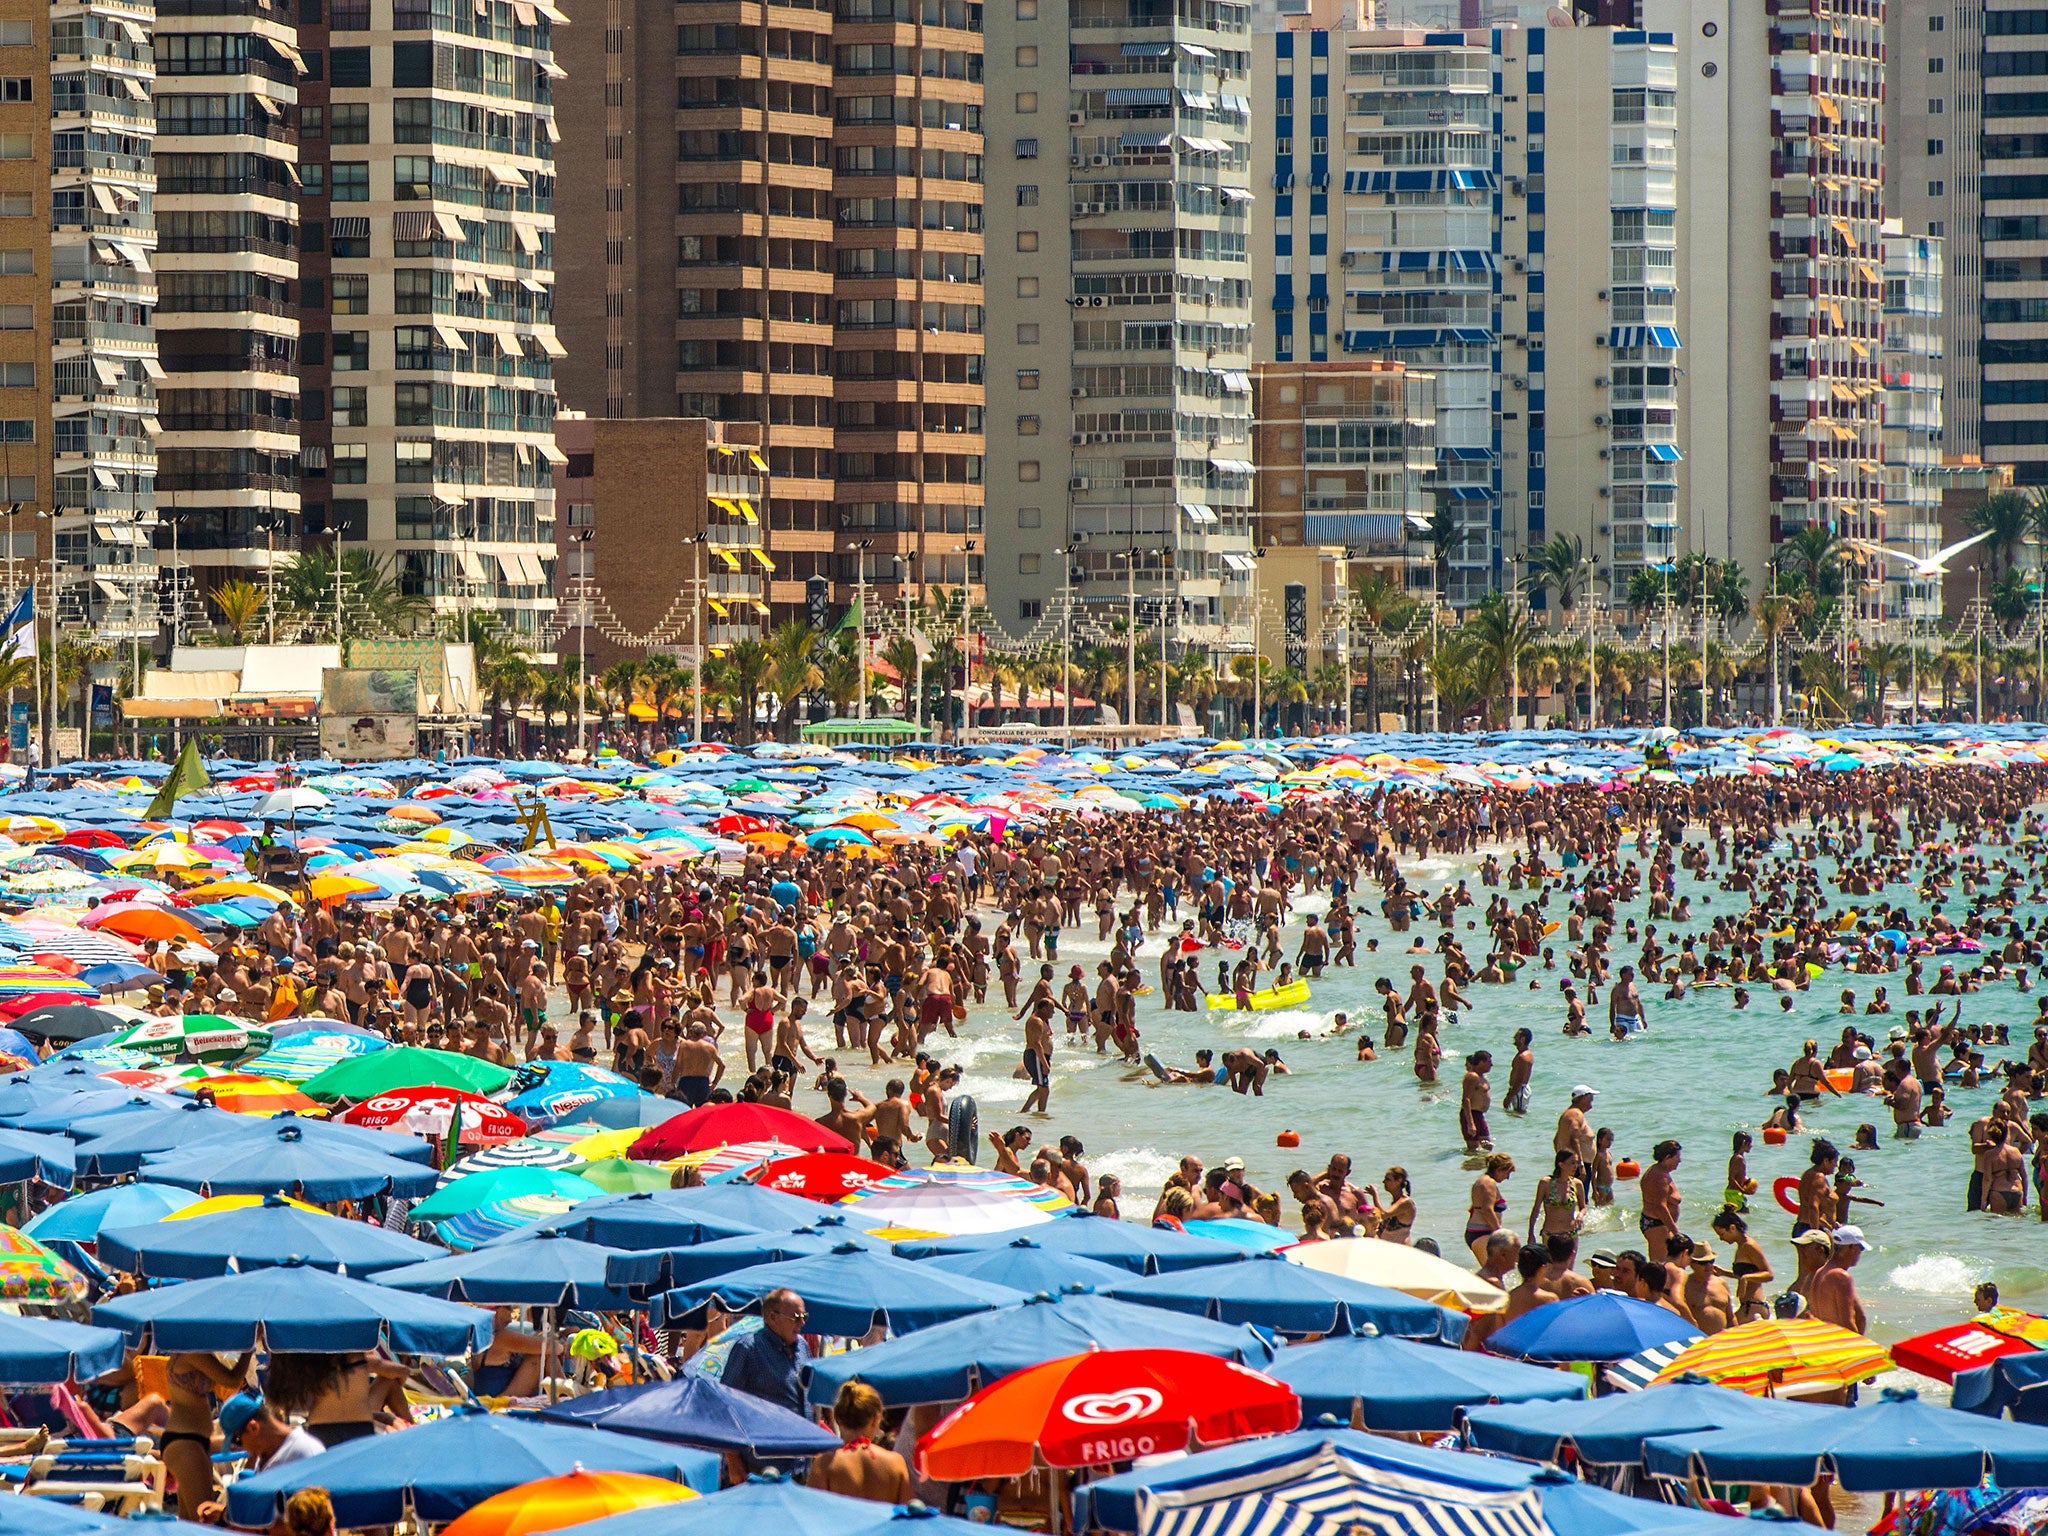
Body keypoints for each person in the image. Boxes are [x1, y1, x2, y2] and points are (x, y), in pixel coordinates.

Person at [809, 1382, 912, 1502]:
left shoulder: (824, 1464)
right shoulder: (895, 1463)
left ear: (836, 1418)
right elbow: (908, 1514)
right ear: (875, 1420)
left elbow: (812, 1513)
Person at [721, 1288, 811, 1416]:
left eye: (804, 1316)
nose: (802, 1323)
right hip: (765, 1434)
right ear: (773, 1318)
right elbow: (726, 1399)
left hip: (805, 1433)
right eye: (796, 1317)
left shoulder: (802, 1347)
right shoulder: (749, 1348)